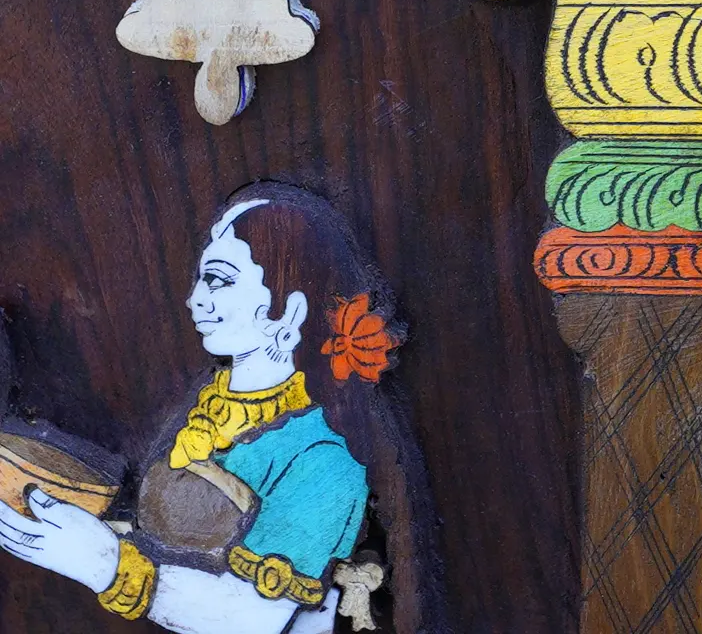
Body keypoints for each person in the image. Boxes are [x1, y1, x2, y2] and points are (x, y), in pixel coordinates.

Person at [0, 183, 435, 631]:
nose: (195, 299)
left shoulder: (324, 460)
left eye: (220, 280)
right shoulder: (212, 410)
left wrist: (106, 565)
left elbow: (256, 618)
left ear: (289, 313)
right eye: (201, 279)